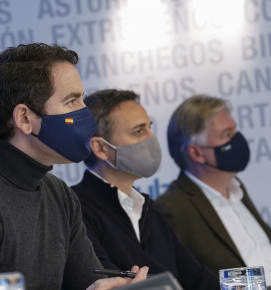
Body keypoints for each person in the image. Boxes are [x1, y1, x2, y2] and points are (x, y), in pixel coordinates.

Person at [0, 43, 148, 290]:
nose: (85, 113)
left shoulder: (59, 195)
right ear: (23, 118)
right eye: (72, 101)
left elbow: (87, 283)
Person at [70, 89, 218, 289]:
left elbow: (198, 279)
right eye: (139, 131)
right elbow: (105, 283)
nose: (151, 138)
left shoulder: (149, 210)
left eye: (150, 128)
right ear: (101, 148)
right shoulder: (74, 209)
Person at [156, 95, 271, 281]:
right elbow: (194, 281)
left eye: (235, 131)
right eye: (227, 135)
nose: (237, 139)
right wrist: (260, 284)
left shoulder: (236, 187)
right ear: (196, 152)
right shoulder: (171, 209)